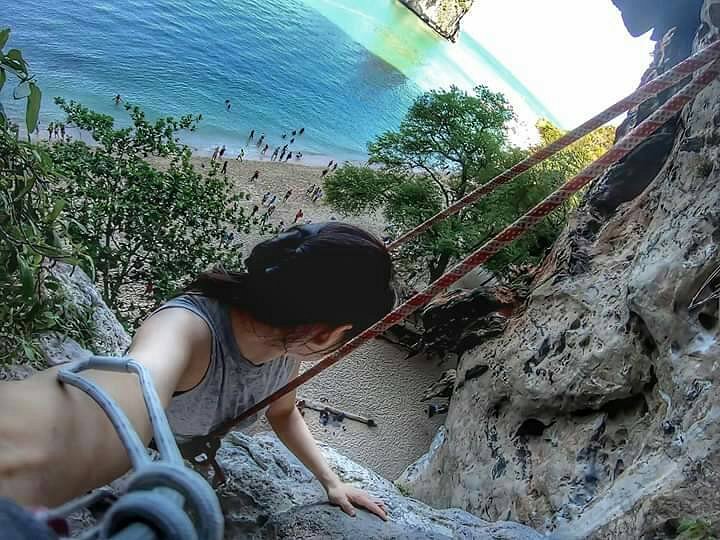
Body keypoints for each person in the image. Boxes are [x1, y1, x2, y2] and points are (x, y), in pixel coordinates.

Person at [0, 223, 393, 521]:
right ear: (331, 332)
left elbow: (283, 411)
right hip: (142, 456)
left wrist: (331, 481)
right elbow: (129, 384)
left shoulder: (286, 345)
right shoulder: (187, 329)